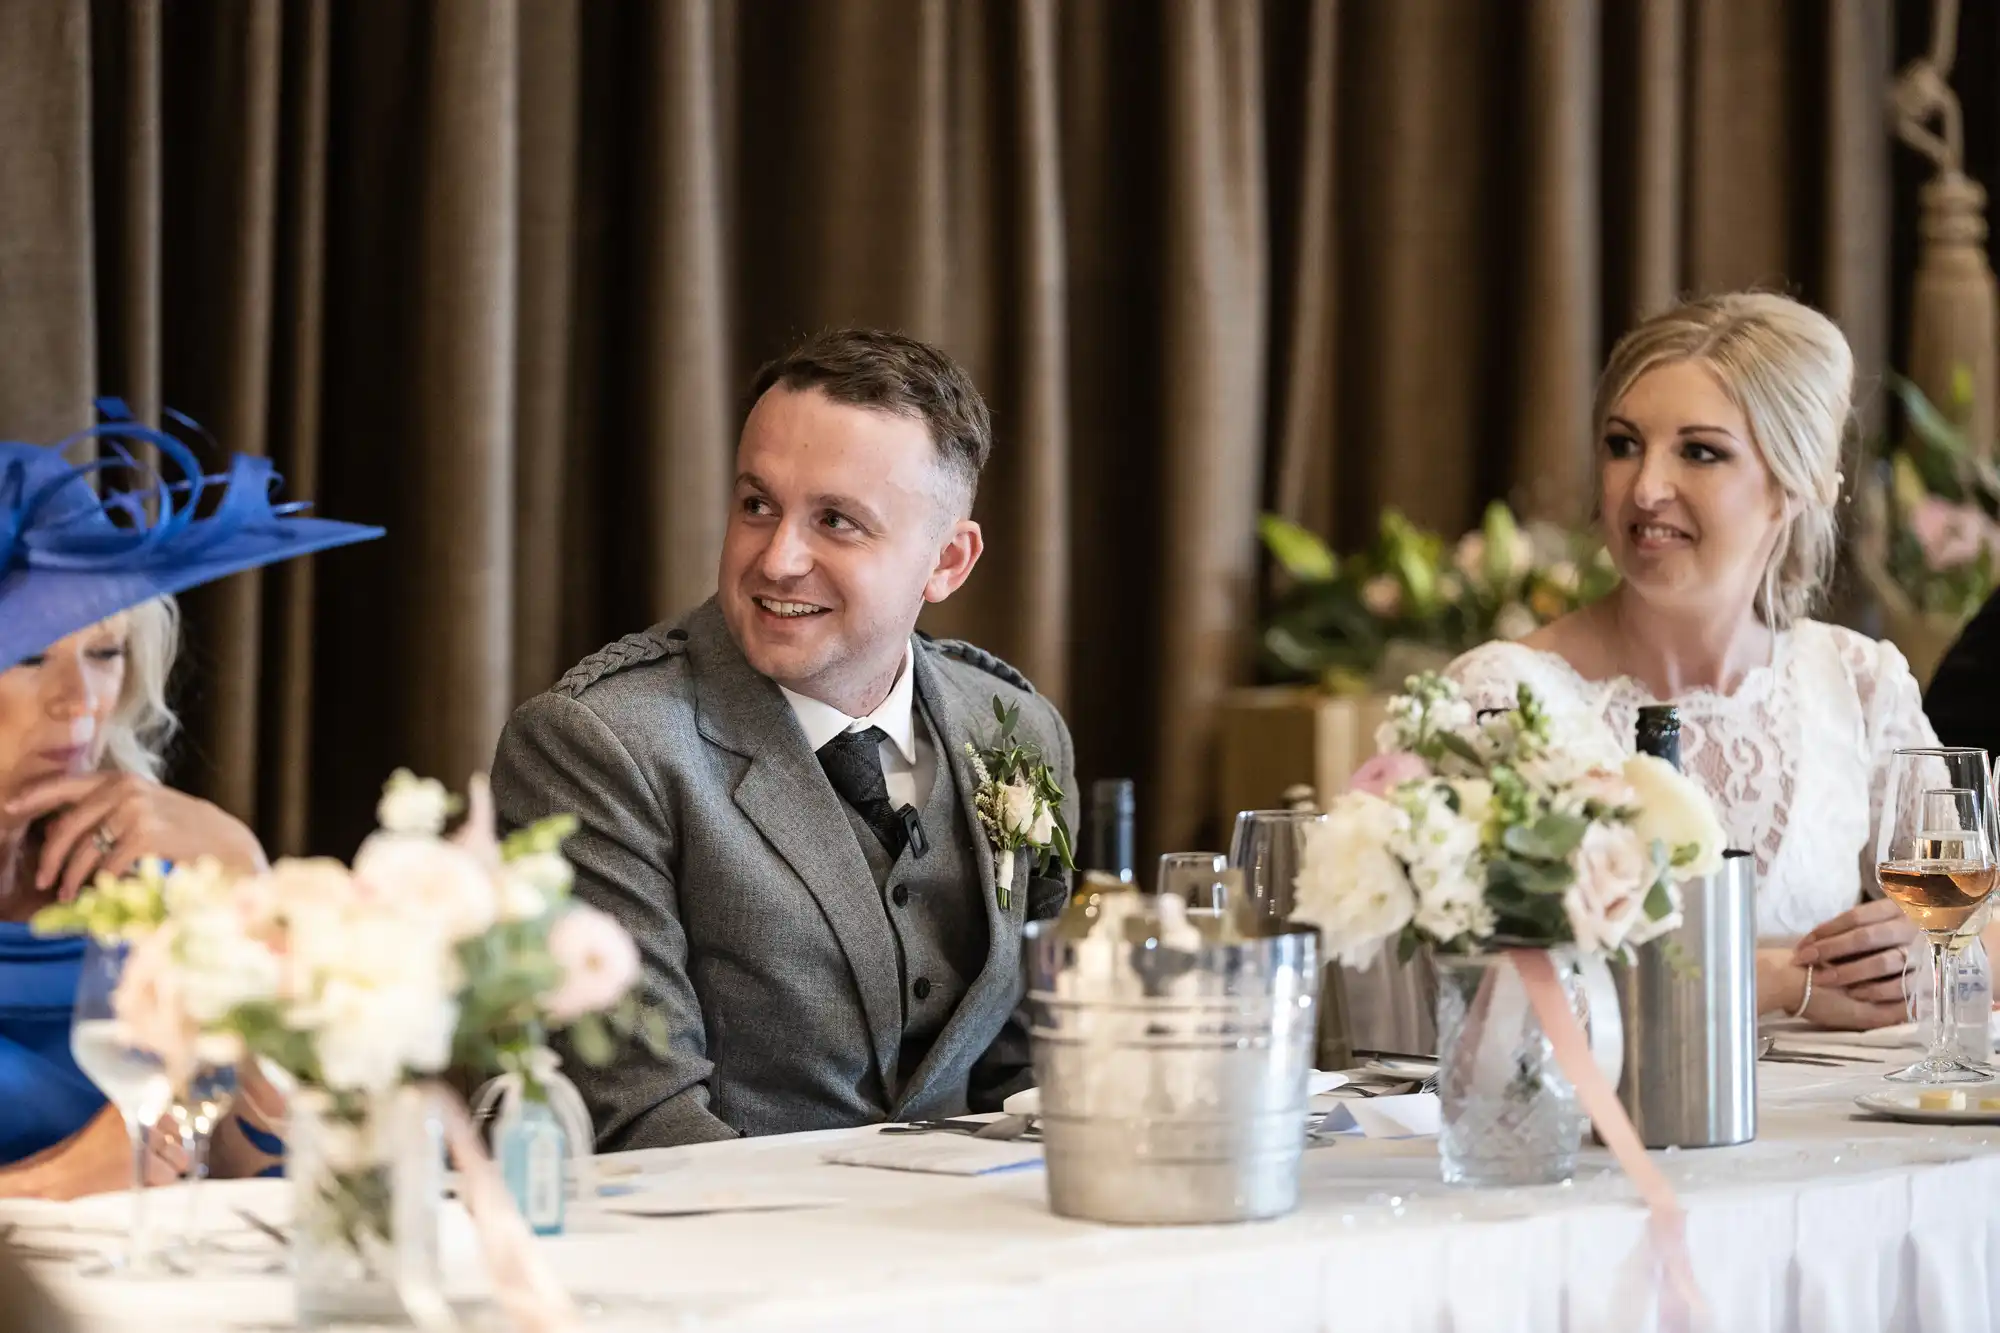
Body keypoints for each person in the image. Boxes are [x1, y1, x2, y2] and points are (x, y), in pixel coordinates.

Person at [493, 329, 1076, 1148]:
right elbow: (640, 1112)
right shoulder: (600, 742)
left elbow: (1033, 1075)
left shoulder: (1015, 731)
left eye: (836, 521)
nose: (777, 558)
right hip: (729, 1255)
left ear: (947, 560)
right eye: (757, 505)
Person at [1446, 292, 1936, 1030]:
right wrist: (1771, 979)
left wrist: (1930, 946)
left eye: (1700, 451)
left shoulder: (1859, 685)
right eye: (1623, 444)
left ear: (1794, 483)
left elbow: (1982, 918)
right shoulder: (1505, 698)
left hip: (1844, 1134)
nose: (1645, 487)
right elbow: (1470, 990)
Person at [0, 412, 382, 1196]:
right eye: (31, 656)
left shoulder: (153, 872)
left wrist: (241, 871)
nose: (79, 704)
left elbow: (299, 1170)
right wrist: (52, 1184)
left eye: (104, 652)